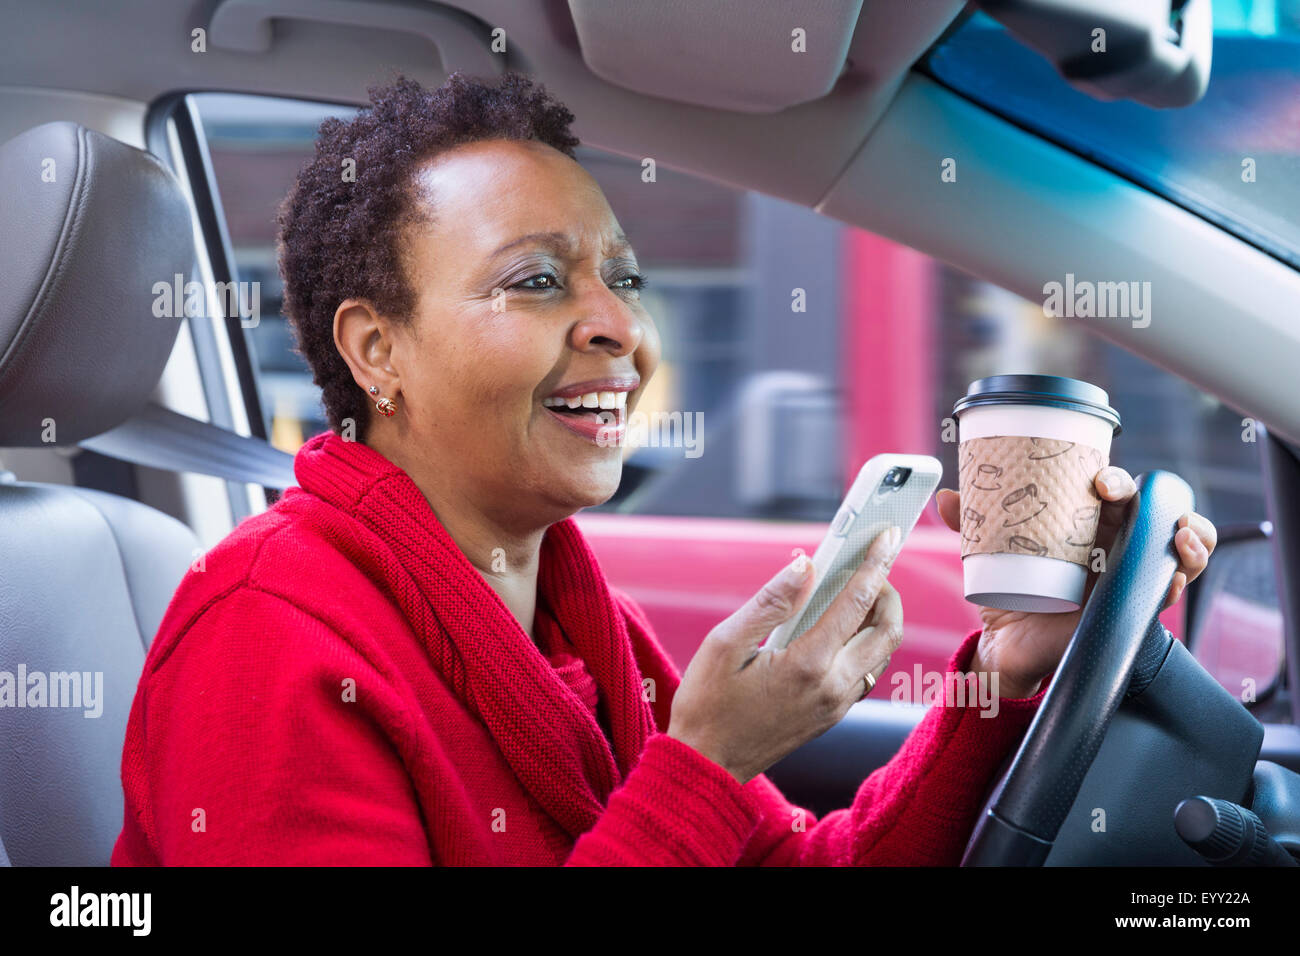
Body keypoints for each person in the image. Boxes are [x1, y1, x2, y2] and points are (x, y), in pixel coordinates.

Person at [111, 71, 1216, 866]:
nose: (617, 326)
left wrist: (1007, 673)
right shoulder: (269, 634)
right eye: (536, 280)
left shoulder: (583, 621)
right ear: (375, 350)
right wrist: (705, 759)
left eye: (623, 279)